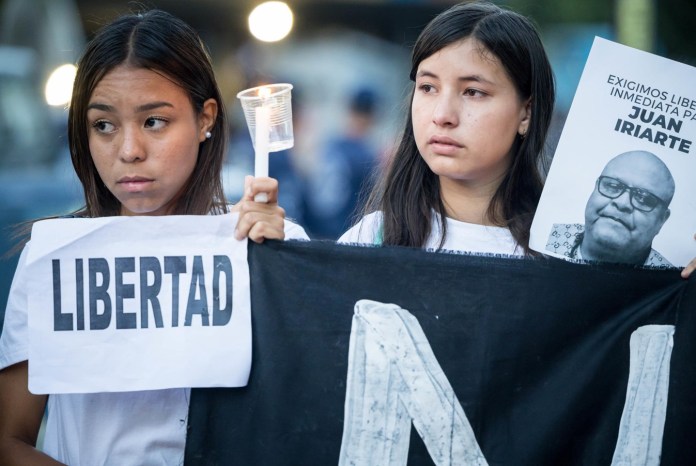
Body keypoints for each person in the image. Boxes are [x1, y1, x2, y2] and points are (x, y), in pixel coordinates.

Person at [0, 9, 307, 465]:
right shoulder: (53, 259)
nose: (129, 151)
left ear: (205, 118)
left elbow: (310, 417)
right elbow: (9, 438)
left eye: (154, 122)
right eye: (103, 125)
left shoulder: (268, 243)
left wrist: (279, 272)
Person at [338, 0, 696, 280]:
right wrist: (280, 253)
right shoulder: (373, 239)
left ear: (526, 113)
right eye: (428, 87)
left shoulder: (568, 254)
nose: (442, 114)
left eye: (474, 92)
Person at [545, 150, 675, 266]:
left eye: (643, 198)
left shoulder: (678, 283)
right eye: (612, 185)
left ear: (662, 220)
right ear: (595, 188)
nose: (622, 203)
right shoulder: (540, 237)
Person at [304, 86, 381, 239]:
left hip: (313, 229)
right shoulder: (366, 155)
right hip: (343, 234)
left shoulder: (329, 144)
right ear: (372, 117)